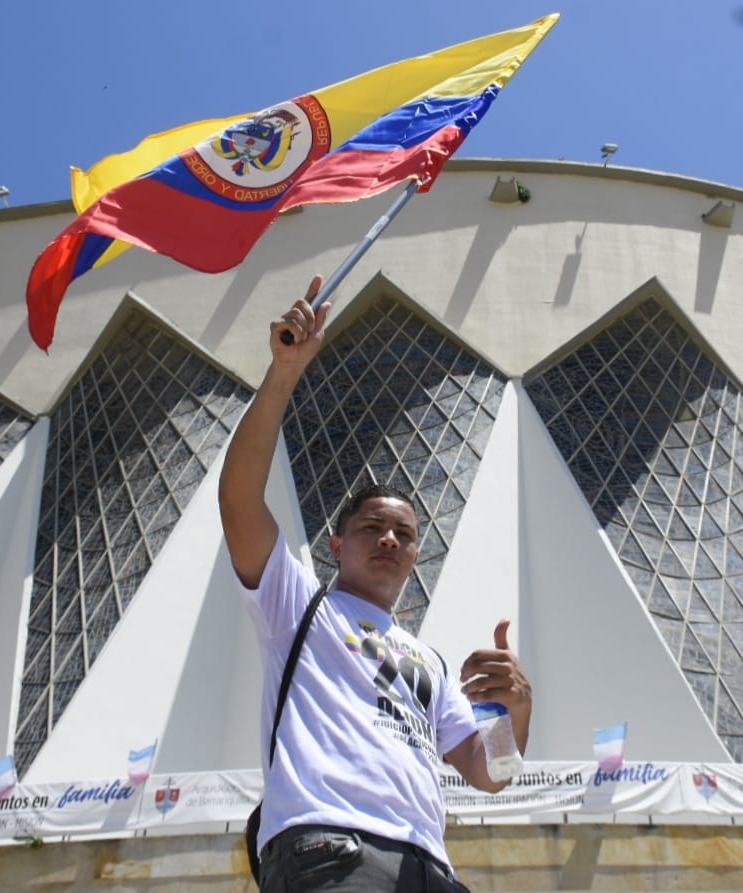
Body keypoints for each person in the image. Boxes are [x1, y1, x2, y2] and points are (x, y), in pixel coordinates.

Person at [218, 275, 533, 892]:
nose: (390, 539)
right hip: (331, 846)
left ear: (416, 556)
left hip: (429, 863)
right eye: (372, 527)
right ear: (336, 545)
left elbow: (489, 772)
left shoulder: (430, 662)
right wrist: (284, 372)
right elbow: (238, 498)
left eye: (404, 534)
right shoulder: (298, 606)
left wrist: (516, 710)